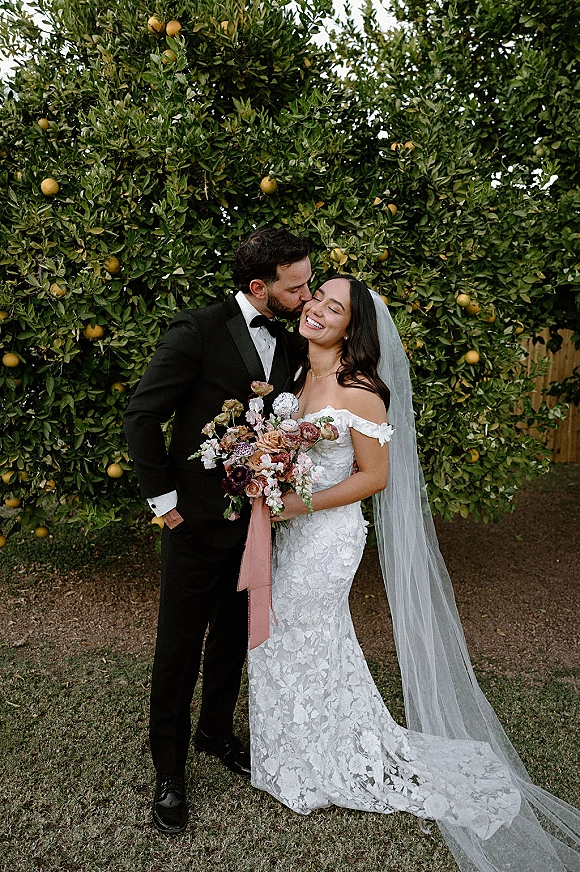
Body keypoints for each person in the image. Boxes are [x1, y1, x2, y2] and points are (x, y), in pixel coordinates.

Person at [248, 276, 580, 872]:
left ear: (353, 327)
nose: (317, 309)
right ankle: (292, 751)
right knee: (283, 637)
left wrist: (302, 503)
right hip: (290, 528)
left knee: (304, 632)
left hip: (326, 533)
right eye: (316, 298)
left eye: (334, 306)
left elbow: (375, 476)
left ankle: (323, 761)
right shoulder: (299, 375)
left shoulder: (360, 391)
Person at [123, 226, 312, 834]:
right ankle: (169, 771)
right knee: (178, 646)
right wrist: (164, 500)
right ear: (259, 287)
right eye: (296, 285)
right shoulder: (196, 331)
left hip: (257, 522)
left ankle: (216, 732)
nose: (306, 294)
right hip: (195, 521)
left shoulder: (290, 342)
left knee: (234, 634)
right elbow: (143, 414)